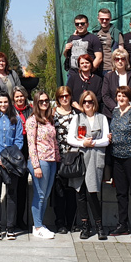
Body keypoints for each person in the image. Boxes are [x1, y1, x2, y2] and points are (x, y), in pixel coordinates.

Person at [67, 91, 110, 240]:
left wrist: (92, 143)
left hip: (95, 157)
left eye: (90, 101)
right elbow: (70, 138)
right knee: (80, 193)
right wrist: (82, 143)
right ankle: (85, 225)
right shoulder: (77, 118)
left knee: (92, 193)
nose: (87, 104)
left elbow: (106, 139)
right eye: (84, 102)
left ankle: (99, 225)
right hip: (80, 157)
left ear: (94, 103)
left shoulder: (102, 118)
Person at [109, 85, 131, 239]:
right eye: (119, 96)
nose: (121, 98)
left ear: (129, 97)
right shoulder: (115, 112)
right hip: (117, 157)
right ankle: (123, 224)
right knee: (121, 192)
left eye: (124, 96)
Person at [0, 92, 24, 240]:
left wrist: (9, 158)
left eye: (5, 102)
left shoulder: (15, 119)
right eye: (0, 102)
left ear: (9, 103)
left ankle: (10, 227)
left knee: (11, 195)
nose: (3, 105)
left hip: (12, 162)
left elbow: (19, 140)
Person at [26, 89, 59, 239]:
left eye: (46, 100)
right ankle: (38, 226)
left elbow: (54, 141)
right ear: (36, 103)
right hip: (40, 160)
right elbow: (31, 144)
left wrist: (57, 157)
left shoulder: (50, 119)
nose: (45, 103)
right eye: (41, 101)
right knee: (39, 194)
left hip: (52, 160)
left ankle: (39, 224)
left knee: (45, 195)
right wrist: (36, 166)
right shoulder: (32, 121)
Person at [51, 85, 78, 234]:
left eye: (67, 95)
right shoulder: (53, 114)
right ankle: (60, 222)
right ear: (58, 99)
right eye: (62, 96)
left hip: (73, 157)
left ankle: (71, 222)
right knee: (59, 192)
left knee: (71, 191)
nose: (65, 98)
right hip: (58, 157)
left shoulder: (76, 114)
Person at [12, 85, 33, 232]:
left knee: (23, 186)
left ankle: (21, 219)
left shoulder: (31, 110)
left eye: (21, 96)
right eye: (16, 97)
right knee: (14, 185)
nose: (19, 99)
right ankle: (12, 220)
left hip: (29, 147)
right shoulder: (10, 111)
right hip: (15, 148)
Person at [101, 47, 131, 119]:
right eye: (117, 59)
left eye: (122, 59)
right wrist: (116, 109)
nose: (120, 61)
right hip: (112, 114)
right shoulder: (108, 76)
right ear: (114, 61)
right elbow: (105, 95)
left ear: (126, 61)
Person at [63, 14, 102, 88]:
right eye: (77, 24)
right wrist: (65, 50)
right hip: (73, 73)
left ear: (87, 25)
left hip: (87, 75)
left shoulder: (93, 38)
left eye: (82, 23)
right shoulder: (71, 38)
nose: (80, 25)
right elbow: (67, 56)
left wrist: (89, 71)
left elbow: (99, 57)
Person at [92, 7, 123, 76]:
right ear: (98, 19)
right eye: (102, 19)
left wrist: (116, 68)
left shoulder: (116, 33)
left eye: (107, 19)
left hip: (111, 68)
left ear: (110, 19)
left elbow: (121, 52)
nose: (104, 21)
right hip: (96, 68)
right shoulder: (94, 33)